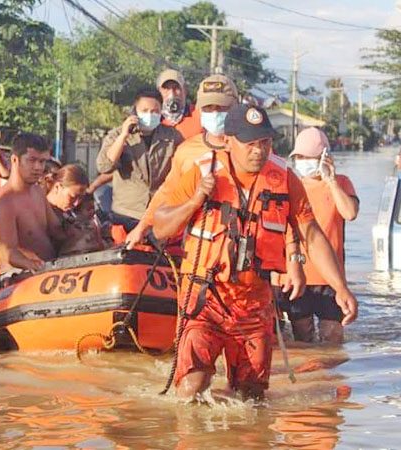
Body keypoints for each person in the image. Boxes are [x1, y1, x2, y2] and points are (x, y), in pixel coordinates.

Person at [153, 104, 358, 400]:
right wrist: (196, 200)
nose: (258, 151)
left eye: (265, 142)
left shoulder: (284, 179)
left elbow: (311, 235)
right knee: (192, 386)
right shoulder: (202, 172)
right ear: (227, 141)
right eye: (250, 143)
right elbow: (161, 228)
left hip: (254, 302)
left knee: (251, 396)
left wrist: (340, 287)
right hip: (205, 299)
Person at [125, 74, 237, 249]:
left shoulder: (252, 148)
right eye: (208, 108)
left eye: (222, 108)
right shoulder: (187, 150)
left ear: (235, 107)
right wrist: (142, 227)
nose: (215, 114)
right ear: (199, 110)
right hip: (198, 249)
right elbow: (167, 192)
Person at [274, 128, 359, 344]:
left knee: (333, 338)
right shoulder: (290, 185)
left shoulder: (342, 182)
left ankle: (331, 376)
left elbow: (350, 213)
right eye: (299, 157)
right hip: (296, 276)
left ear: (324, 157)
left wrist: (330, 181)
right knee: (303, 339)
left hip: (330, 278)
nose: (303, 162)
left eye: (309, 157)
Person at [96, 89, 182, 236]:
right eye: (145, 110)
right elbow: (104, 166)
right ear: (135, 111)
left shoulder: (172, 136)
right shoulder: (117, 135)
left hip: (159, 213)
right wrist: (124, 136)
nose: (150, 115)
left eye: (155, 111)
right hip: (126, 214)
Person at [0, 133, 65, 272]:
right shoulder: (4, 202)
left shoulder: (38, 192)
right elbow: (8, 253)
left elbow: (57, 230)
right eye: (31, 160)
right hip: (19, 278)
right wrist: (37, 267)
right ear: (14, 160)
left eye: (42, 162)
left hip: (49, 273)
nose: (38, 167)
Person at [157, 69, 202, 140]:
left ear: (185, 90)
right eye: (166, 88)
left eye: (176, 88)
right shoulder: (153, 116)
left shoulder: (198, 114)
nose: (172, 94)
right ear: (159, 91)